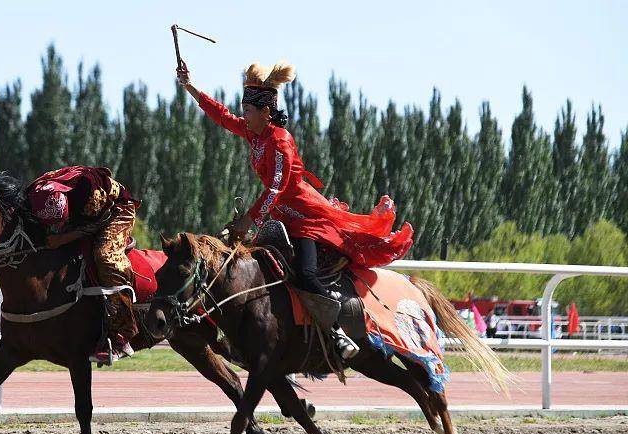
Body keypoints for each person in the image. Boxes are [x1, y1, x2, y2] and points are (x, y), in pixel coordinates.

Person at [177, 60, 413, 360]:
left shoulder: (280, 141)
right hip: (280, 215)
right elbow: (222, 116)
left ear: (265, 113)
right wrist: (189, 86)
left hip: (306, 218)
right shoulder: (254, 133)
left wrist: (248, 219)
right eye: (244, 111)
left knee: (305, 273)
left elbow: (276, 187)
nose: (243, 116)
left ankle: (337, 333)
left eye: (248, 111)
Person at [27, 165, 139, 363]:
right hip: (82, 211)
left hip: (114, 211)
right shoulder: (35, 194)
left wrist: (63, 238)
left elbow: (95, 224)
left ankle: (124, 333)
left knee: (104, 256)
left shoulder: (90, 195)